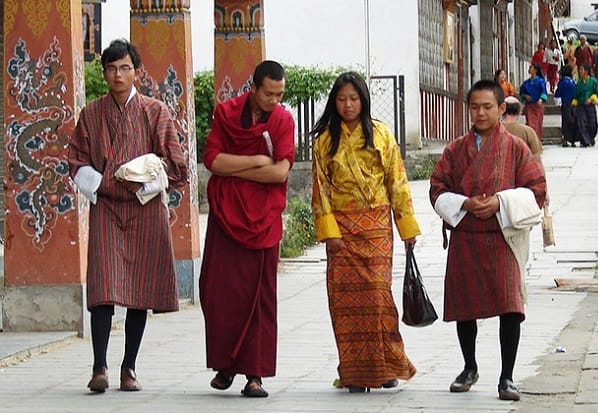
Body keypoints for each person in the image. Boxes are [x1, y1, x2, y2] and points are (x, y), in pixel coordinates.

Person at [68, 39, 188, 393]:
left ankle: (129, 367)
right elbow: (76, 161)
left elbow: (176, 164)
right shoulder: (91, 114)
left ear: (136, 72)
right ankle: (99, 366)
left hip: (145, 206)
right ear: (103, 73)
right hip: (106, 204)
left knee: (141, 287)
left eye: (124, 68)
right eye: (111, 68)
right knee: (103, 286)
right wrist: (103, 182)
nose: (118, 75)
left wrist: (145, 176)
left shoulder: (156, 112)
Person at [429, 80, 547, 402]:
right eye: (475, 107)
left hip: (501, 237)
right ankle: (469, 367)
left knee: (511, 306)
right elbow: (437, 188)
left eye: (487, 107)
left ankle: (507, 376)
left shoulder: (515, 148)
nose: (480, 113)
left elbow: (537, 190)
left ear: (500, 110)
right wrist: (464, 203)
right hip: (466, 235)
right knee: (464, 306)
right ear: (468, 109)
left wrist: (500, 202)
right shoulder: (454, 150)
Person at [310, 72, 420, 393]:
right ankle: (355, 370)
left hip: (376, 229)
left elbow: (397, 182)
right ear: (334, 102)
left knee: (377, 295)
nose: (347, 105)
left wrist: (406, 226)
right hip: (341, 229)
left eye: (354, 99)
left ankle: (385, 367)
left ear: (364, 100)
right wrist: (329, 232)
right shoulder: (324, 142)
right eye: (342, 99)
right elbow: (321, 190)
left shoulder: (382, 135)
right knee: (344, 301)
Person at [199, 60, 295, 398]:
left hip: (263, 219)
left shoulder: (283, 120)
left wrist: (234, 170)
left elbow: (280, 173)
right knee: (219, 292)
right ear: (253, 88)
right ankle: (225, 366)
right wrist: (255, 162)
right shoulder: (226, 113)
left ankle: (254, 375)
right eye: (268, 93)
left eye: (279, 94)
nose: (274, 100)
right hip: (226, 215)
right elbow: (213, 161)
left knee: (260, 298)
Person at [519, 63, 547, 141]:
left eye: (531, 67)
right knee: (530, 123)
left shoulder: (541, 81)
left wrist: (541, 99)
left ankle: (537, 140)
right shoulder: (526, 83)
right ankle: (531, 140)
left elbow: (544, 92)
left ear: (535, 70)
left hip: (537, 106)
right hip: (529, 106)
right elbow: (521, 93)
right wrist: (524, 96)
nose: (529, 69)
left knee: (537, 124)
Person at [574, 64, 598, 147]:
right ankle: (585, 140)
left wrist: (592, 99)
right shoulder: (579, 83)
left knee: (593, 123)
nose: (580, 72)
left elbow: (596, 93)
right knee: (581, 122)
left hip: (590, 105)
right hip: (581, 106)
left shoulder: (593, 81)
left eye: (581, 70)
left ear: (586, 71)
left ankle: (590, 138)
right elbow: (576, 95)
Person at [554, 64, 578, 147]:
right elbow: (558, 93)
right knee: (568, 121)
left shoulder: (571, 81)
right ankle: (566, 138)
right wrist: (559, 103)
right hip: (566, 104)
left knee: (572, 121)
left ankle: (572, 139)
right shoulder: (564, 82)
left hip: (572, 104)